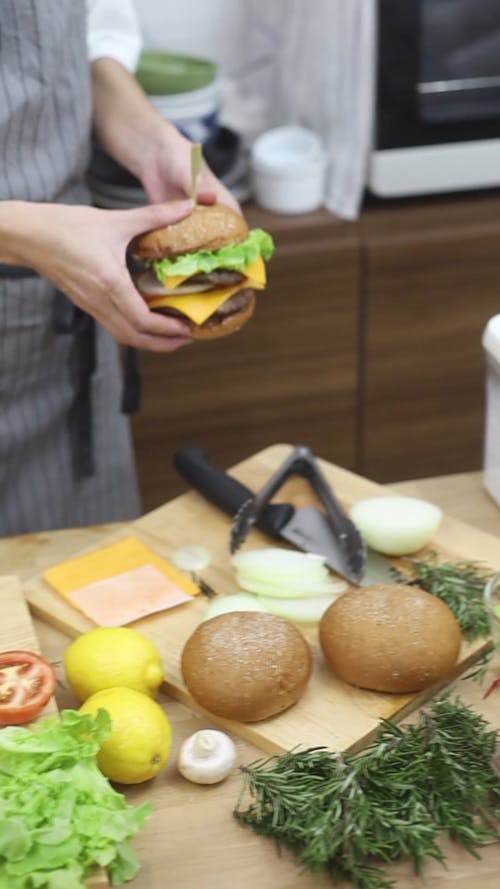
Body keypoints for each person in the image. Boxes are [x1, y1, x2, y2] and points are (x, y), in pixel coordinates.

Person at [0, 0, 239, 536]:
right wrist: (20, 233)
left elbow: (84, 42)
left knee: (91, 592)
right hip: (59, 268)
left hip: (61, 345)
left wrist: (153, 141)